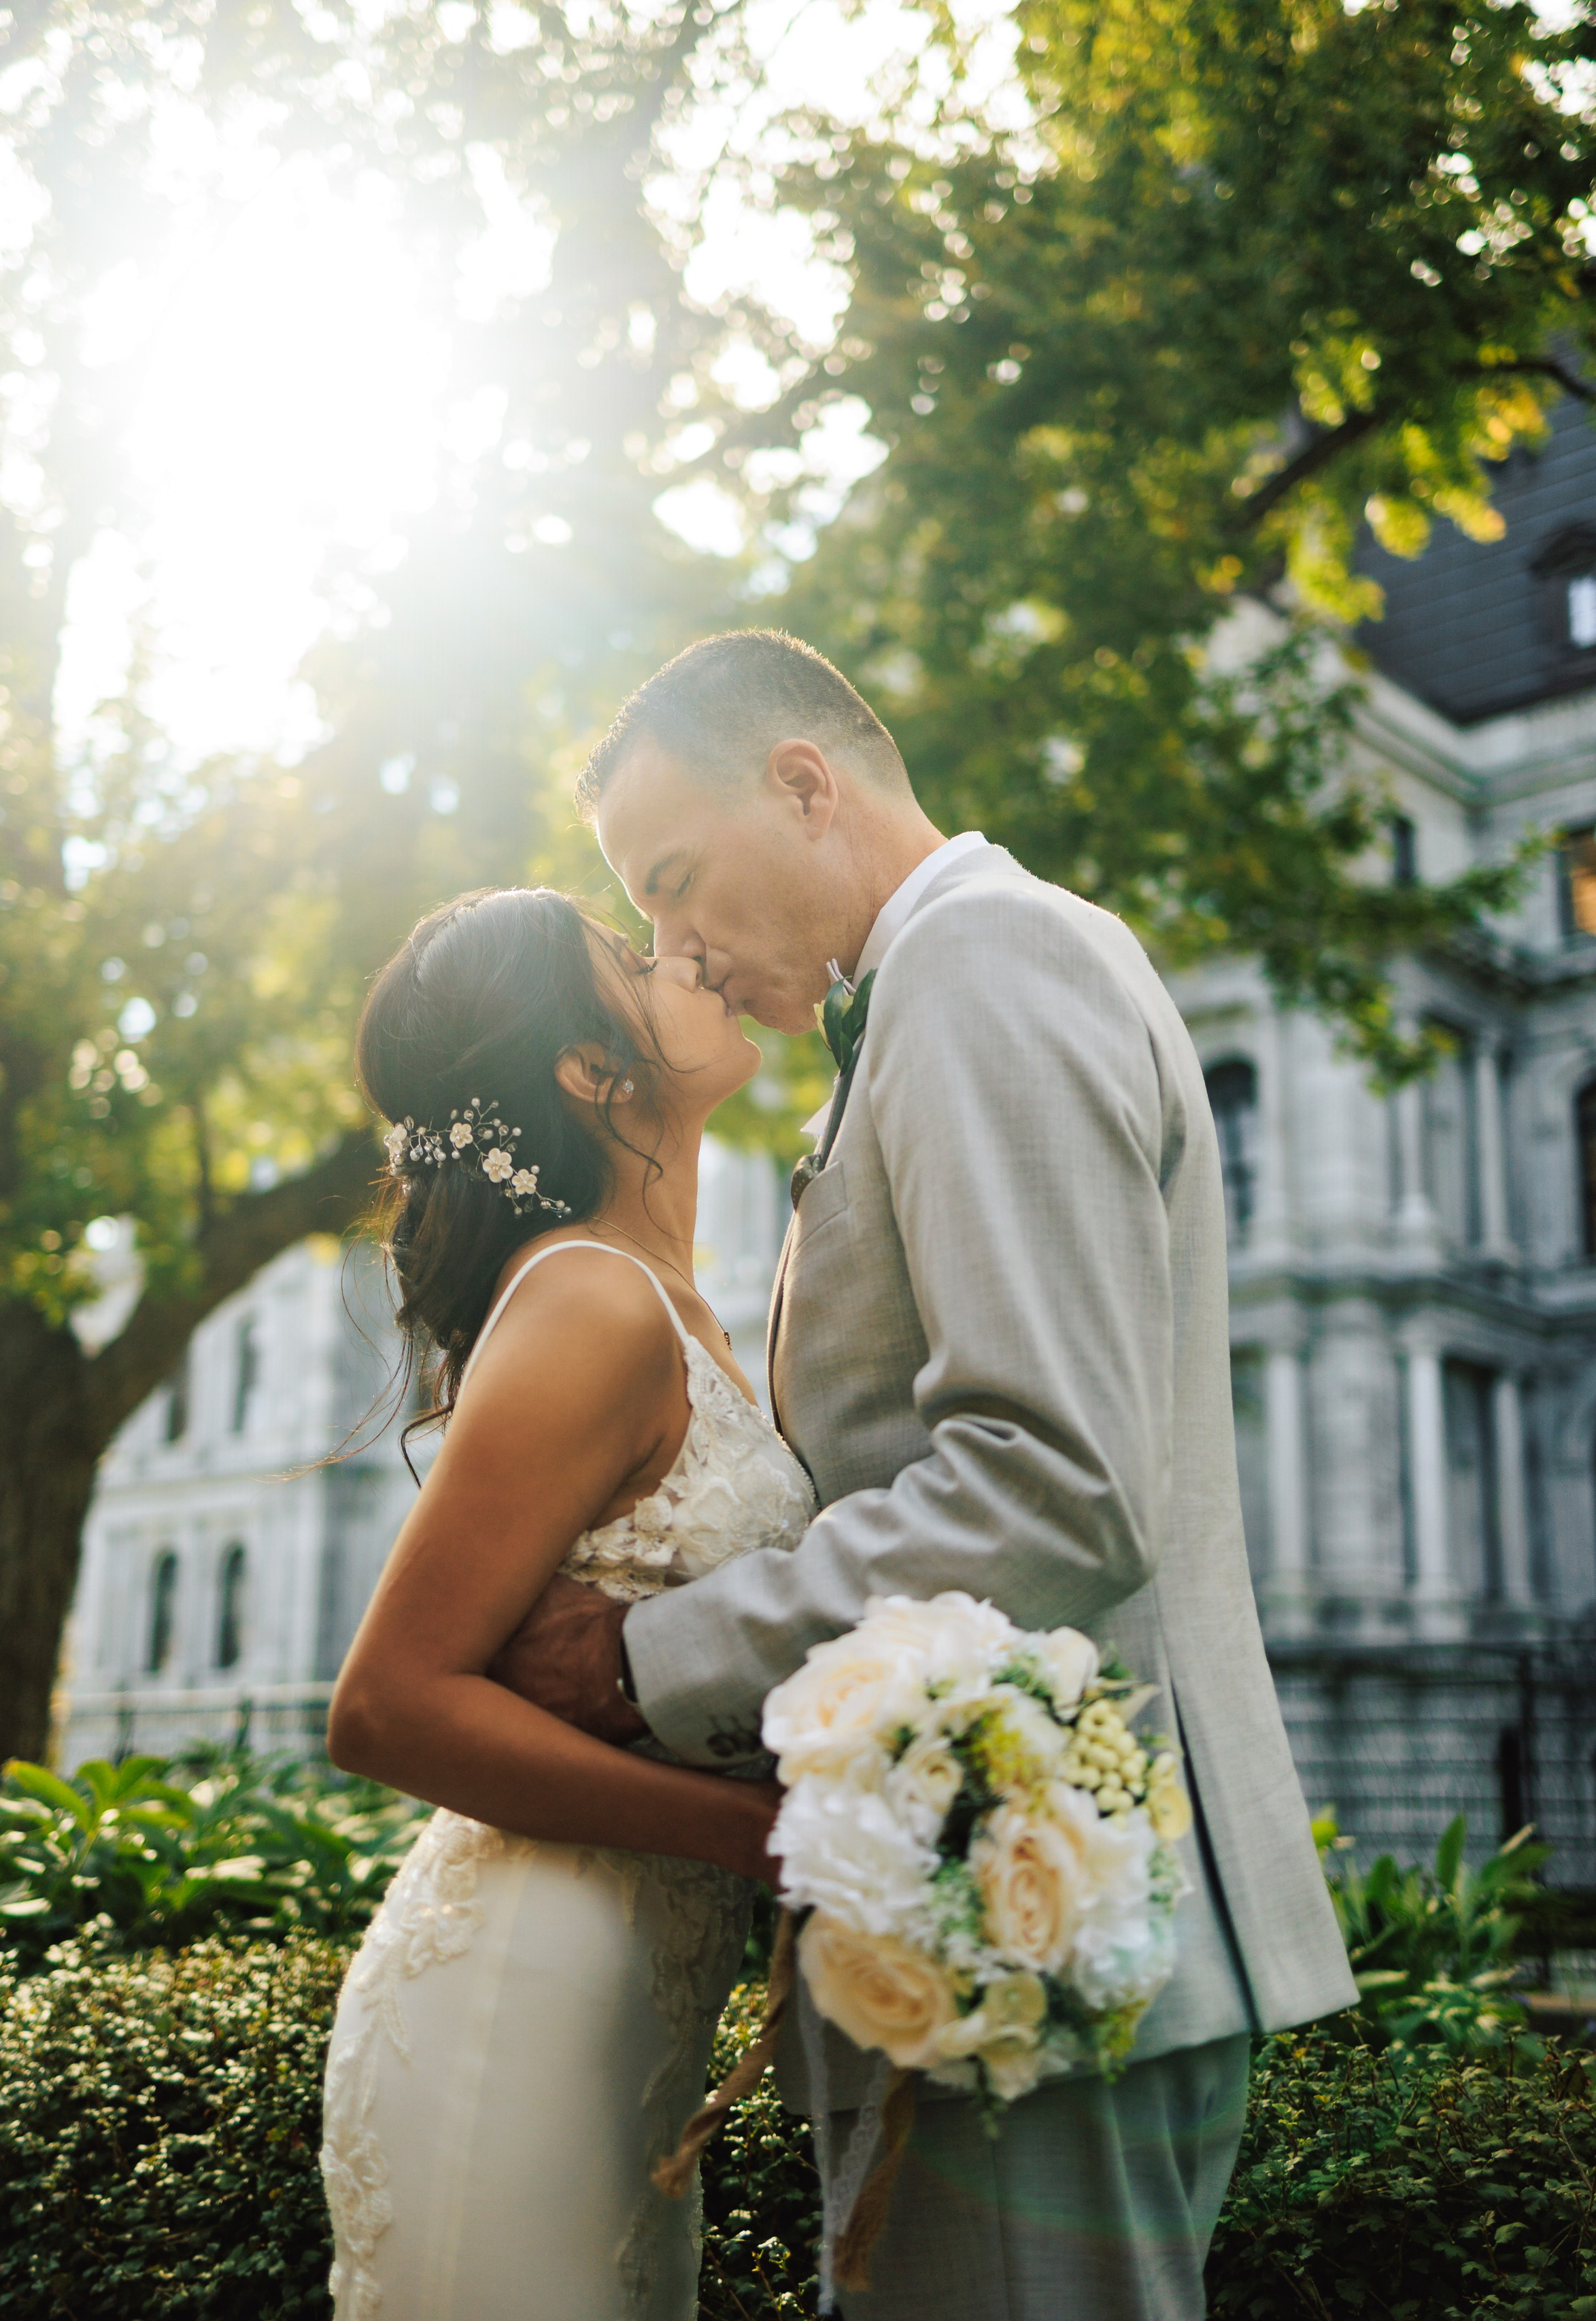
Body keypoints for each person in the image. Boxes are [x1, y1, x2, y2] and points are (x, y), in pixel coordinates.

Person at [488, 627, 1358, 2321]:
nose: (674, 951)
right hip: (1028, 1931)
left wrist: (641, 1657)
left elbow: (1052, 1478)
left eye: (675, 882)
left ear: (803, 785)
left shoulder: (978, 962)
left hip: (1035, 1949)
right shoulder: (948, 983)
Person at [319, 886, 817, 2320]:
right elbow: (387, 1707)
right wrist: (751, 1834)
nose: (684, 947)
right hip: (515, 2010)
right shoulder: (591, 1301)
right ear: (592, 1070)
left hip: (627, 2028)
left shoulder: (675, 1305)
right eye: (630, 952)